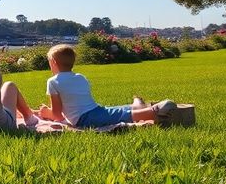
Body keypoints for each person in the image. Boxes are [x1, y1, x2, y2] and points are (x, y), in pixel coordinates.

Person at [38, 44, 176, 128]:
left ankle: (152, 112)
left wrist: (45, 112)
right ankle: (136, 106)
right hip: (94, 109)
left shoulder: (53, 82)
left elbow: (56, 114)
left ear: (54, 62)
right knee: (112, 113)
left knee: (115, 116)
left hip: (84, 119)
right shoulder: (81, 77)